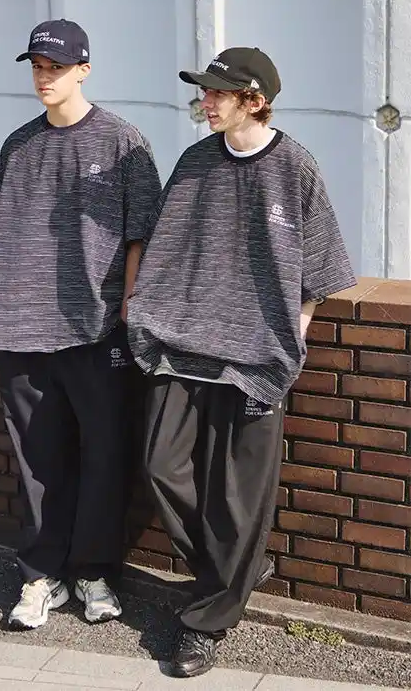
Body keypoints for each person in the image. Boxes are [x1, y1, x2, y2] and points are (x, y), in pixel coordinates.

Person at [127, 47, 356, 678]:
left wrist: (291, 341)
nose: (204, 101)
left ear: (253, 101)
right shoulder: (196, 161)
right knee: (161, 467)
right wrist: (144, 316)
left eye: (216, 93)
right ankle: (234, 571)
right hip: (182, 349)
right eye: (204, 91)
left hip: (257, 358)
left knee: (238, 499)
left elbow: (319, 271)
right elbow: (165, 247)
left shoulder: (295, 167)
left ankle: (208, 621)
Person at [0, 19, 162, 630]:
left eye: (55, 67)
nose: (43, 77)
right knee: (37, 459)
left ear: (84, 69)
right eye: (36, 66)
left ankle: (94, 572)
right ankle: (40, 576)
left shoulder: (122, 141)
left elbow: (143, 234)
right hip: (20, 326)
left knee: (105, 454)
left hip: (96, 327)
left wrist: (129, 304)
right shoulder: (19, 145)